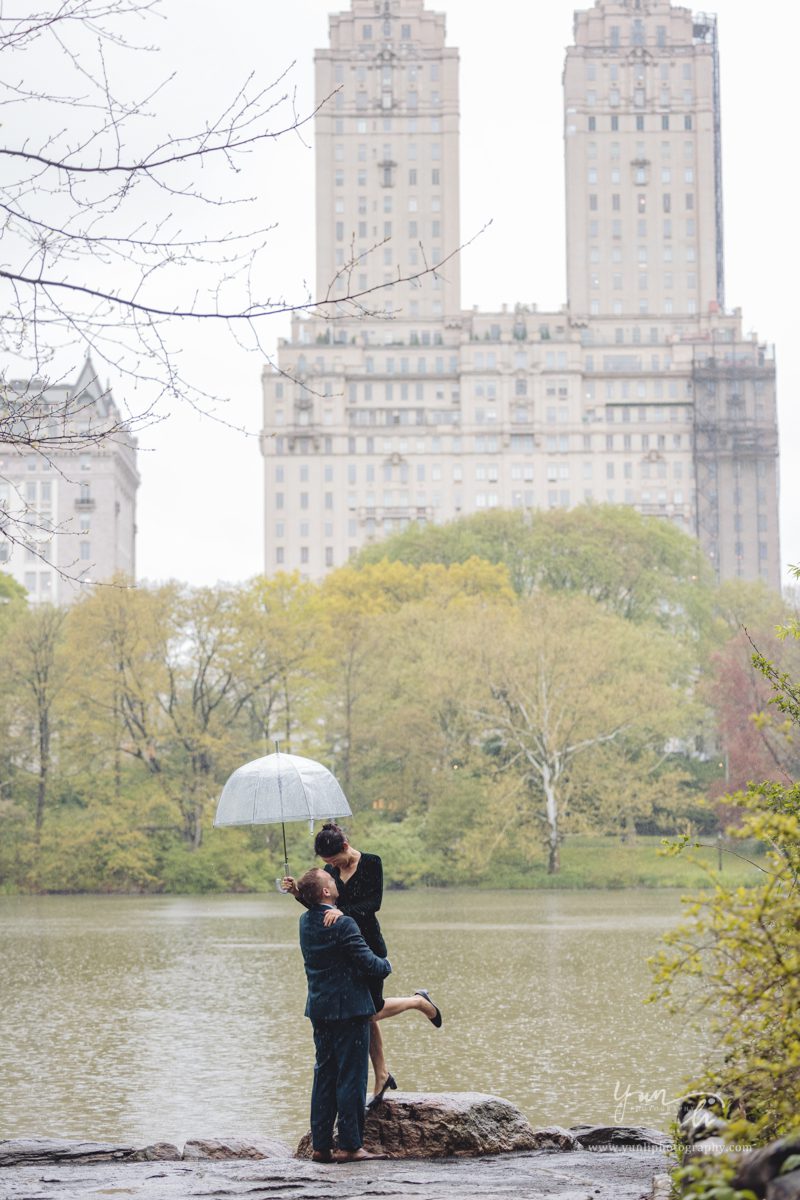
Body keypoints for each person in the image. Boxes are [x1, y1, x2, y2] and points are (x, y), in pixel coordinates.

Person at [284, 822, 442, 1104]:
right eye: (327, 863)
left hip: (368, 945)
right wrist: (298, 893)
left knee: (370, 1011)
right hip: (344, 951)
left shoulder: (371, 863)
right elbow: (323, 907)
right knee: (365, 1013)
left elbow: (373, 904)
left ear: (345, 847)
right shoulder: (332, 872)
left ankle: (418, 1002)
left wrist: (342, 912)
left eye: (334, 860)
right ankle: (382, 1074)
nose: (331, 866)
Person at [296, 866, 391, 1163]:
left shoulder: (304, 921)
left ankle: (321, 1146)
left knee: (324, 1075)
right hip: (350, 1010)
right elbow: (370, 964)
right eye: (330, 881)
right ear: (326, 892)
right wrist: (386, 964)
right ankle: (351, 1145)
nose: (335, 882)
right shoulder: (342, 924)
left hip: (320, 1009)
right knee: (351, 1076)